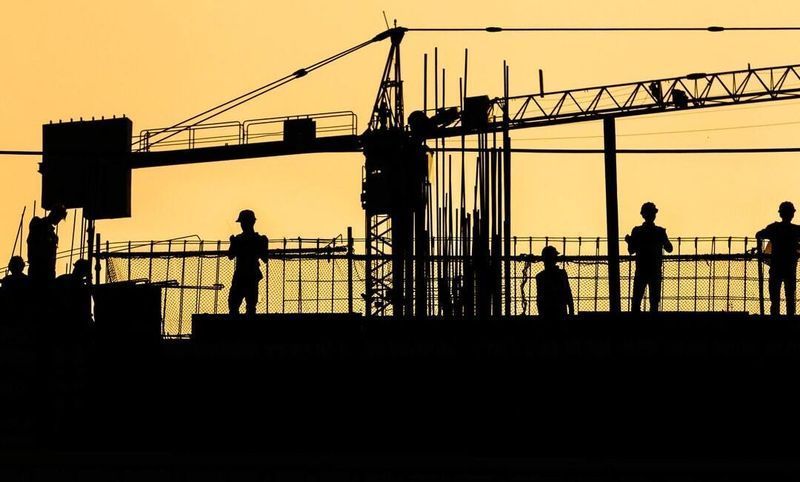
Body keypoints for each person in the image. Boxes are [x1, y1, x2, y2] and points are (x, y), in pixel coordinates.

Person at [626, 202, 673, 313]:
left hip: (641, 270)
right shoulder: (660, 232)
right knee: (654, 302)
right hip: (655, 270)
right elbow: (669, 248)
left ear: (643, 214)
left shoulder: (637, 231)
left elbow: (631, 251)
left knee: (636, 301)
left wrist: (629, 241)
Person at [756, 201, 800, 315]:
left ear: (781, 214)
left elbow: (759, 234)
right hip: (790, 267)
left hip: (776, 267)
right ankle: (790, 319)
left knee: (774, 296)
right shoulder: (796, 230)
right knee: (790, 296)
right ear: (792, 214)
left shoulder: (774, 228)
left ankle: (775, 319)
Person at [228, 209, 269, 316]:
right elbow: (265, 258)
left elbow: (230, 256)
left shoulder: (242, 239)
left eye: (244, 222)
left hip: (246, 274)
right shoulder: (256, 239)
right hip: (248, 274)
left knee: (241, 304)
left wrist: (233, 243)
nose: (242, 225)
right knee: (239, 304)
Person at [26, 204, 68, 285]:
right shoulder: (37, 222)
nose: (58, 220)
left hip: (49, 271)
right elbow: (35, 236)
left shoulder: (53, 235)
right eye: (59, 217)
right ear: (53, 213)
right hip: (37, 269)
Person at [535, 246, 574, 319]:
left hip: (547, 313)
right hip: (560, 311)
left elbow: (539, 298)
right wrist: (571, 312)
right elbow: (568, 294)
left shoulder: (540, 276)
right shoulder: (561, 274)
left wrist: (541, 314)